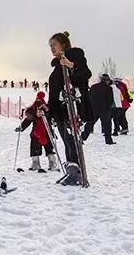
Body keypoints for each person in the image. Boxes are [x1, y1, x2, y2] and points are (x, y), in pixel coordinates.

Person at [46, 31, 92, 185]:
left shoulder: (75, 55)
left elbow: (86, 74)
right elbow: (52, 93)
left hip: (73, 106)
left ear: (63, 44)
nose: (52, 48)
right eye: (50, 45)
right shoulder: (56, 68)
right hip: (59, 110)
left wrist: (72, 66)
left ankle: (78, 174)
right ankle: (71, 171)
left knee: (72, 140)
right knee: (66, 141)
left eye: (55, 44)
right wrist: (47, 111)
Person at [15, 91, 57, 171]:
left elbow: (28, 119)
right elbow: (28, 120)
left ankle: (43, 163)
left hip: (42, 132)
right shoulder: (41, 107)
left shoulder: (39, 107)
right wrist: (22, 127)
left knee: (43, 148)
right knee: (45, 147)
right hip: (43, 132)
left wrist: (22, 127)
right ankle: (47, 163)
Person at [82, 74, 115, 145]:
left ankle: (83, 137)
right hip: (105, 109)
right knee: (107, 125)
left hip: (94, 108)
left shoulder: (93, 87)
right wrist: (109, 108)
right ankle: (108, 140)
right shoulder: (109, 88)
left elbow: (89, 96)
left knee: (90, 123)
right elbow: (110, 100)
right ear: (107, 81)